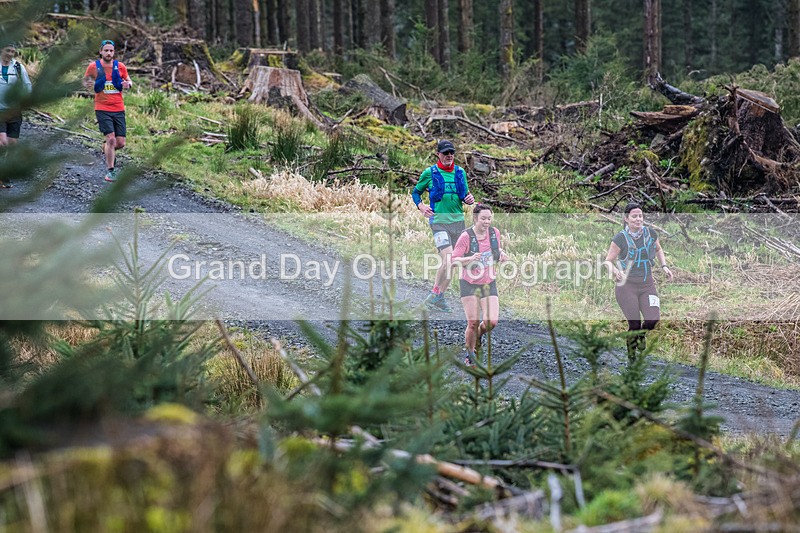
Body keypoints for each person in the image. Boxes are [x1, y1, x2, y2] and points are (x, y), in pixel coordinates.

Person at [411, 139, 475, 312]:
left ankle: (439, 297)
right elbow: (416, 192)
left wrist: (470, 199)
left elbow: (466, 195)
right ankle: (434, 293)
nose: (449, 156)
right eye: (445, 153)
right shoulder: (429, 173)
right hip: (439, 222)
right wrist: (421, 206)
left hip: (458, 222)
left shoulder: (460, 172)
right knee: (447, 258)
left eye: (451, 153)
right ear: (438, 154)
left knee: (453, 262)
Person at [604, 202, 673, 360]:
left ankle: (641, 335)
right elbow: (607, 261)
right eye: (634, 216)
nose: (638, 219)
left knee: (652, 320)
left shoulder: (650, 233)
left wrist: (664, 266)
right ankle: (632, 357)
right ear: (626, 218)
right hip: (626, 287)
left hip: (647, 285)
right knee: (634, 324)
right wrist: (615, 271)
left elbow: (658, 249)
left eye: (640, 216)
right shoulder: (620, 238)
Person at [451, 203, 508, 366]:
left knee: (492, 322)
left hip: (489, 282)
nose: (487, 222)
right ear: (475, 218)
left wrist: (502, 254)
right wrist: (468, 259)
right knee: (473, 322)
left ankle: (478, 336)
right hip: (469, 283)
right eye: (483, 218)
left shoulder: (494, 233)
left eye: (489, 218)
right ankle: (470, 354)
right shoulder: (466, 236)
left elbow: (496, 250)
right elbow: (453, 261)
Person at [82, 39, 132, 182]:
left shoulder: (120, 66)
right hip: (102, 108)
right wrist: (88, 83)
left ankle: (107, 148)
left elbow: (129, 80)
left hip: (118, 108)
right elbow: (85, 81)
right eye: (106, 50)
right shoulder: (93, 66)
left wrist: (128, 84)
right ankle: (111, 171)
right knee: (111, 139)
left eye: (111, 51)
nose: (109, 53)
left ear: (113, 52)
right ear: (101, 51)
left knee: (120, 143)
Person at [0, 43, 32, 188]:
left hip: (14, 111)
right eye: (8, 50)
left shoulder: (18, 68)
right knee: (3, 142)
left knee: (12, 144)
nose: (10, 54)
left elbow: (27, 85)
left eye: (13, 51)